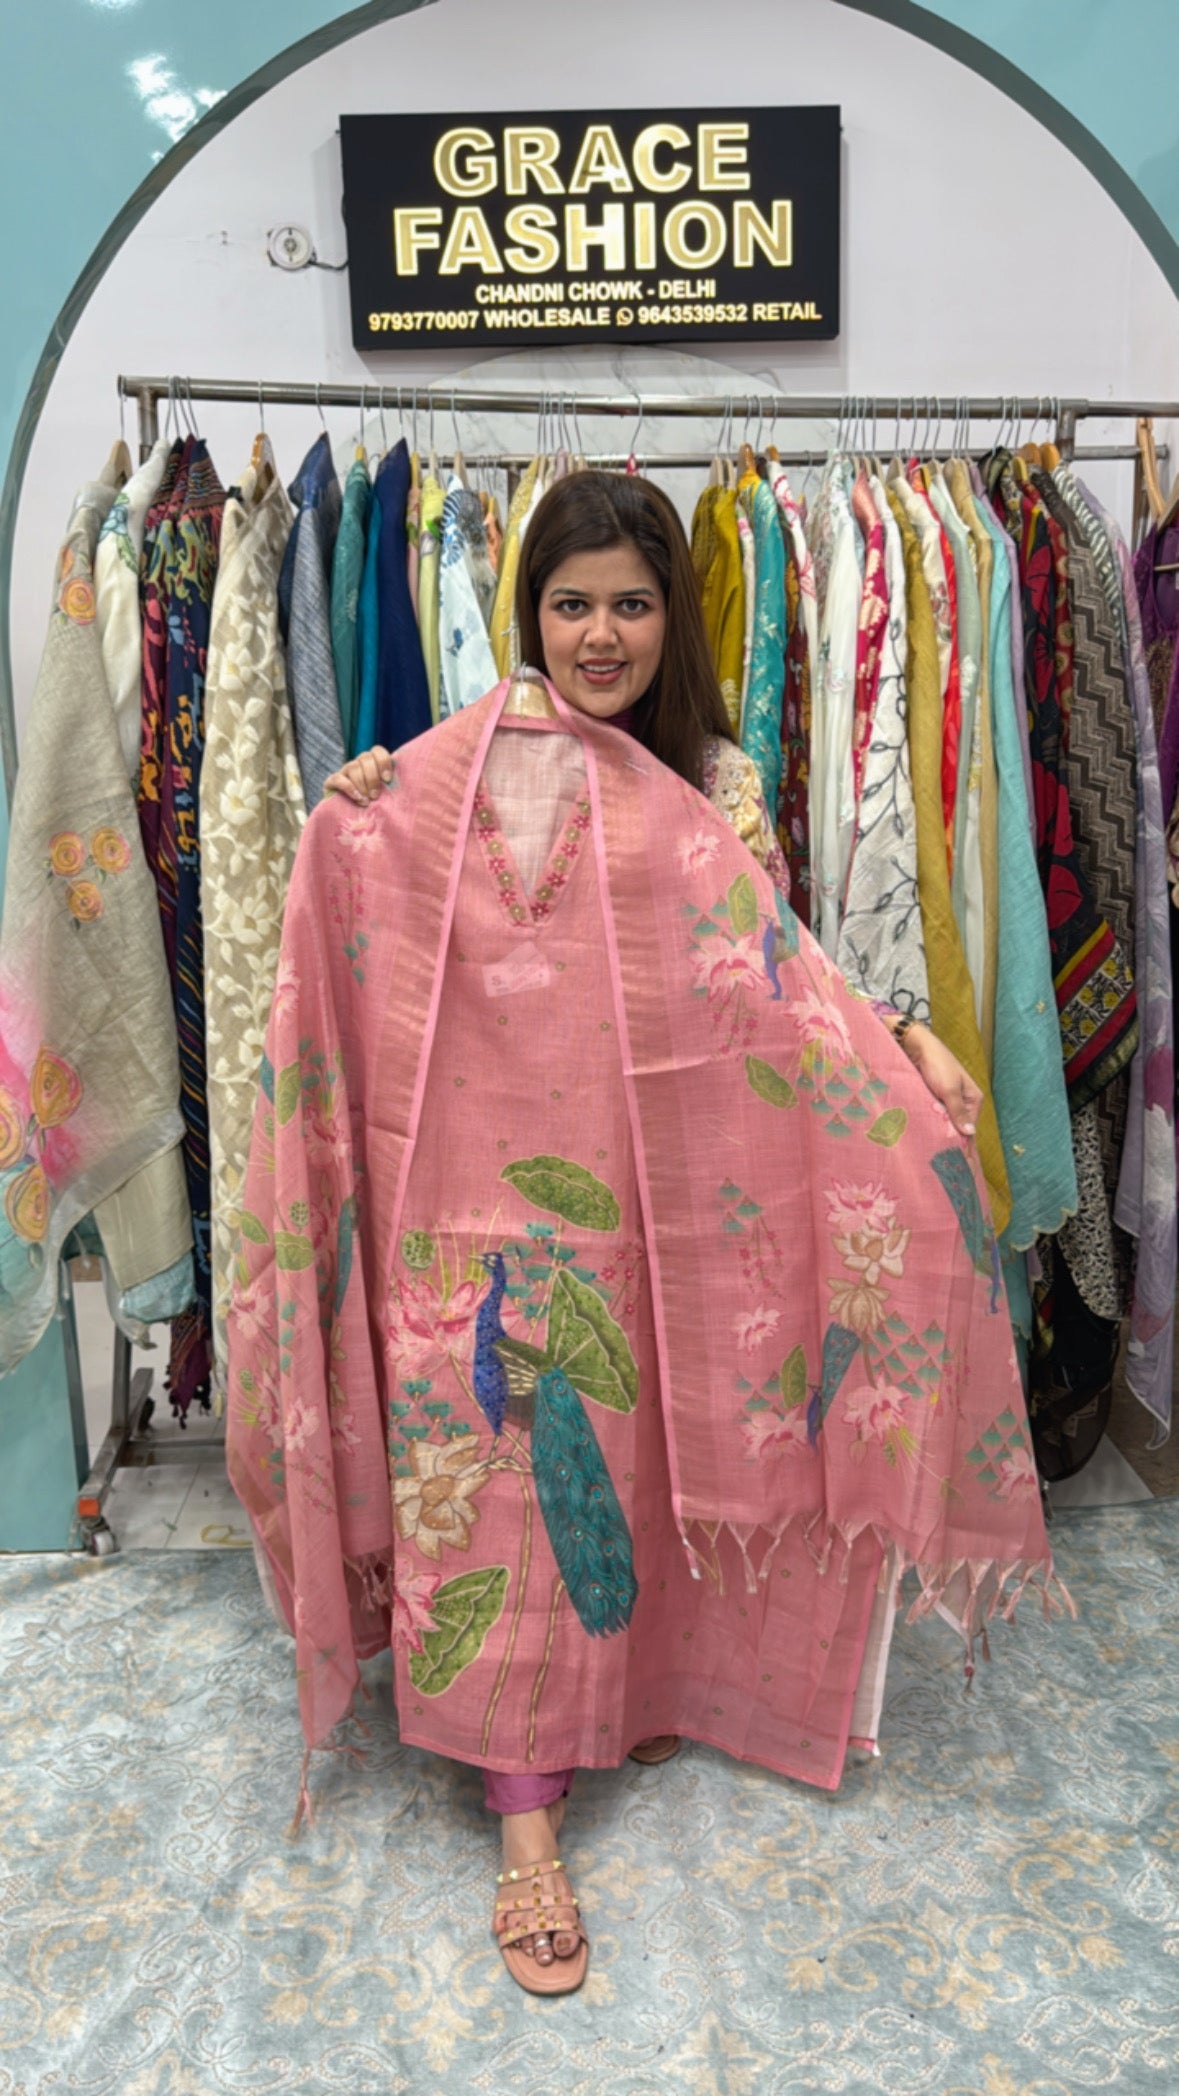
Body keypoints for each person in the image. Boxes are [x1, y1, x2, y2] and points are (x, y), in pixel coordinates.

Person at [229, 473, 1055, 1999]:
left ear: (672, 620)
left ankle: (641, 1689)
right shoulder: (435, 786)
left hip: (657, 1209)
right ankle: (526, 1825)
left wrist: (899, 1042)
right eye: (568, 602)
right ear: (524, 615)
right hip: (475, 1224)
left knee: (659, 1462)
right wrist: (362, 822)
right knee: (501, 1494)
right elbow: (377, 918)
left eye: (630, 601)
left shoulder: (718, 790)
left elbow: (768, 988)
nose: (598, 633)